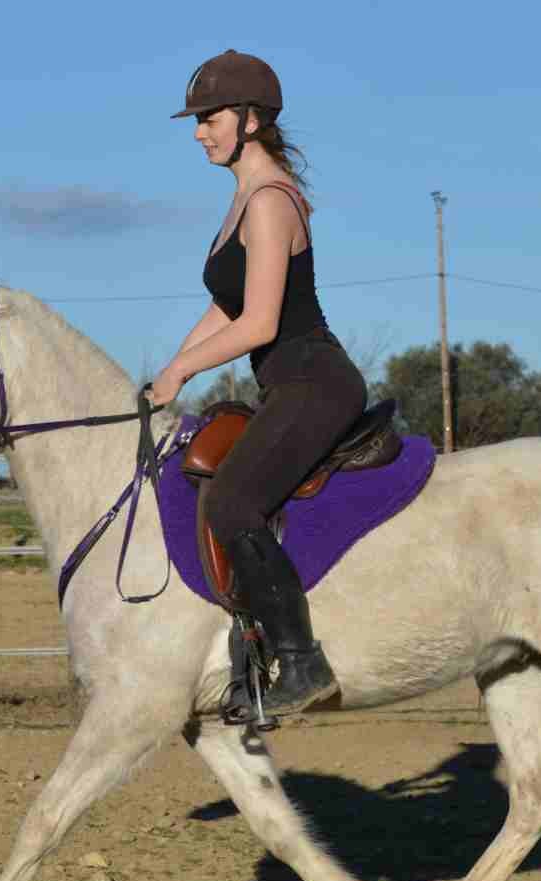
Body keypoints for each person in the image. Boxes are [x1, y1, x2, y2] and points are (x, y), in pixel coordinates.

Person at [147, 49, 366, 717]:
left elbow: (260, 321)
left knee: (233, 504)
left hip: (313, 381)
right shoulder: (242, 199)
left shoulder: (270, 202)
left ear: (247, 119)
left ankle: (302, 664)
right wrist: (164, 378)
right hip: (286, 383)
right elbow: (227, 305)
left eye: (206, 117)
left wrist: (187, 367)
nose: (197, 131)